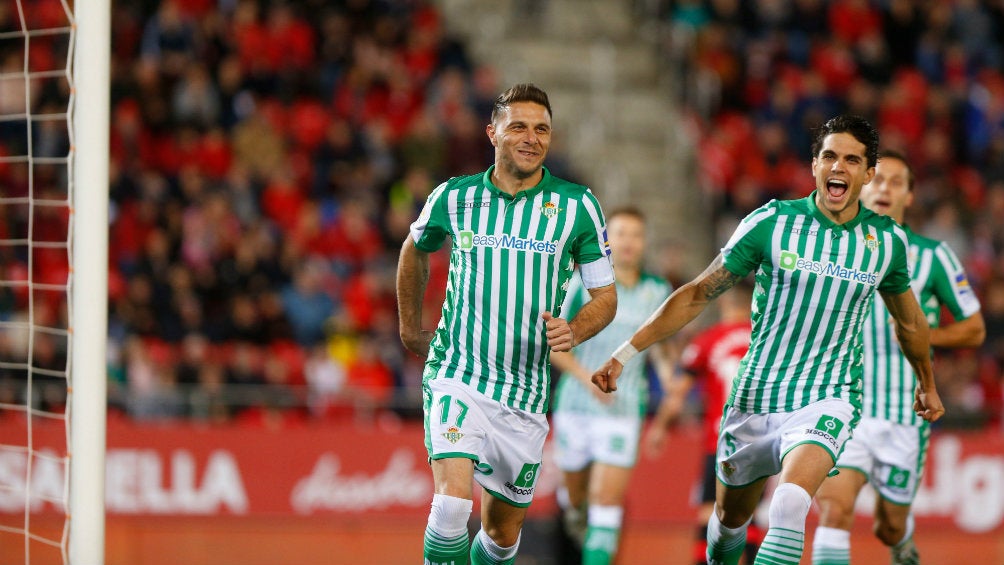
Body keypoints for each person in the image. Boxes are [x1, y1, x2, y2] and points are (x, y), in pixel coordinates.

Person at [591, 115, 944, 565]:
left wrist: (926, 382)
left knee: (790, 504)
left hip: (828, 396)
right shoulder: (771, 223)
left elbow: (910, 322)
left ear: (868, 174)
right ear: (814, 165)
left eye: (852, 160)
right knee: (727, 524)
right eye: (830, 156)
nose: (839, 167)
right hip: (756, 397)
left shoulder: (884, 243)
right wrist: (626, 353)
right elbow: (699, 292)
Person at [397, 83, 618, 565]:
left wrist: (576, 330)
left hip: (525, 393)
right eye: (518, 126)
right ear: (492, 131)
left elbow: (605, 296)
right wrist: (411, 328)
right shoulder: (455, 197)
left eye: (542, 129)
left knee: (500, 537)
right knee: (452, 505)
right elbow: (415, 248)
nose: (531, 137)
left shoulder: (578, 206)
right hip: (459, 374)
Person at [810, 150, 985, 565]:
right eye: (878, 180)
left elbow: (975, 328)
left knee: (889, 525)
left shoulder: (931, 256)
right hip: (842, 404)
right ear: (861, 185)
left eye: (897, 182)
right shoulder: (830, 245)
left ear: (908, 196)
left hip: (905, 414)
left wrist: (924, 335)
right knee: (835, 509)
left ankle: (901, 538)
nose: (885, 189)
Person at [549, 207, 673, 565]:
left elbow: (661, 348)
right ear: (607, 240)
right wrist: (586, 379)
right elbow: (554, 347)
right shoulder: (580, 284)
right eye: (621, 234)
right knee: (576, 499)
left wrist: (668, 381)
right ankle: (573, 514)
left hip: (623, 408)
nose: (629, 242)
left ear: (644, 241)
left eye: (636, 234)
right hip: (575, 405)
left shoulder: (657, 290)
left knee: (606, 499)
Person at [645, 283, 765, 565]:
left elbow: (677, 397)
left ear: (724, 304)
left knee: (709, 512)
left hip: (720, 443)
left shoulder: (707, 341)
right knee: (751, 514)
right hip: (760, 444)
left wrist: (660, 427)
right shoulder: (764, 343)